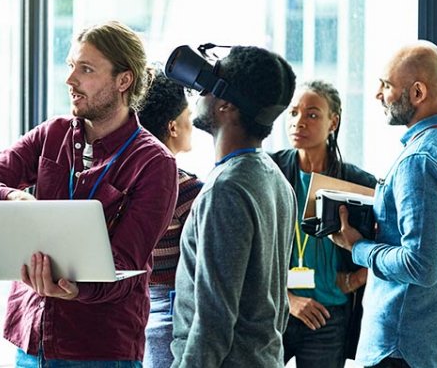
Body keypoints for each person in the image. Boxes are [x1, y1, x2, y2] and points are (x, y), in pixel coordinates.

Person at [0, 21, 178, 366]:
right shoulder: (52, 134)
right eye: (71, 66)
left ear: (123, 80)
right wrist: (12, 198)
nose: (70, 79)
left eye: (85, 69)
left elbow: (127, 266)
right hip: (31, 341)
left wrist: (76, 289)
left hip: (99, 349)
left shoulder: (154, 163)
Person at [330, 40, 437, 368]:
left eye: (387, 85)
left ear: (418, 93)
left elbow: (422, 265)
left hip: (401, 349)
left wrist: (358, 247)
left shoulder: (419, 160)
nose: (378, 94)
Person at [170, 45, 297, 367]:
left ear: (226, 106)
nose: (199, 93)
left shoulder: (226, 190)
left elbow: (214, 317)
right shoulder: (275, 179)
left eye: (209, 86)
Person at [270, 80, 377, 367]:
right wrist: (289, 298)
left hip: (329, 317)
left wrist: (355, 279)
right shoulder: (271, 171)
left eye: (312, 114)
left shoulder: (358, 183)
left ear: (334, 122)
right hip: (275, 311)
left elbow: (390, 242)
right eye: (293, 113)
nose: (298, 122)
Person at [137, 68, 204, 368]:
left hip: (128, 303)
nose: (193, 122)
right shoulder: (186, 189)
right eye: (188, 115)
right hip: (168, 308)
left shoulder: (123, 178)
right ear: (173, 127)